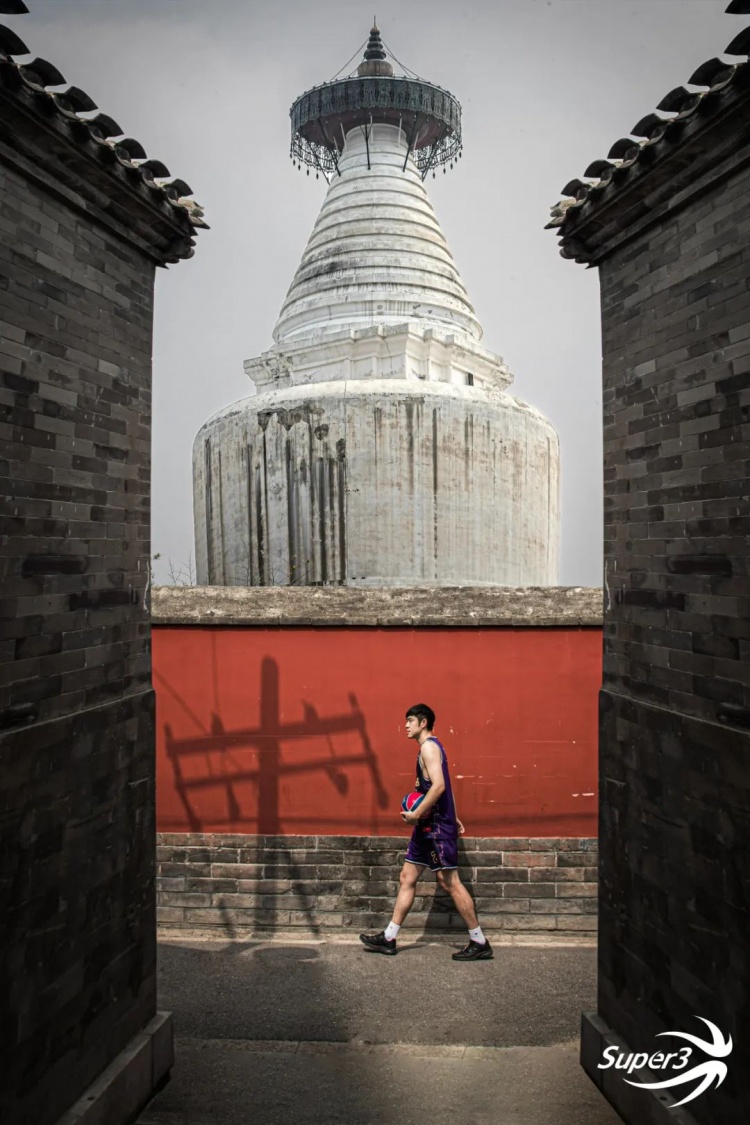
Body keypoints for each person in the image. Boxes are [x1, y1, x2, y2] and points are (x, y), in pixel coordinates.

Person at [359, 702, 493, 961]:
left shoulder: (429, 747)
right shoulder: (429, 748)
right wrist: (452, 814)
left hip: (435, 827)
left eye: (410, 720)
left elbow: (440, 786)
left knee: (449, 881)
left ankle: (479, 941)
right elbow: (439, 785)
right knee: (407, 877)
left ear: (423, 723)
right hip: (428, 826)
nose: (406, 725)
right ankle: (389, 937)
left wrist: (416, 814)